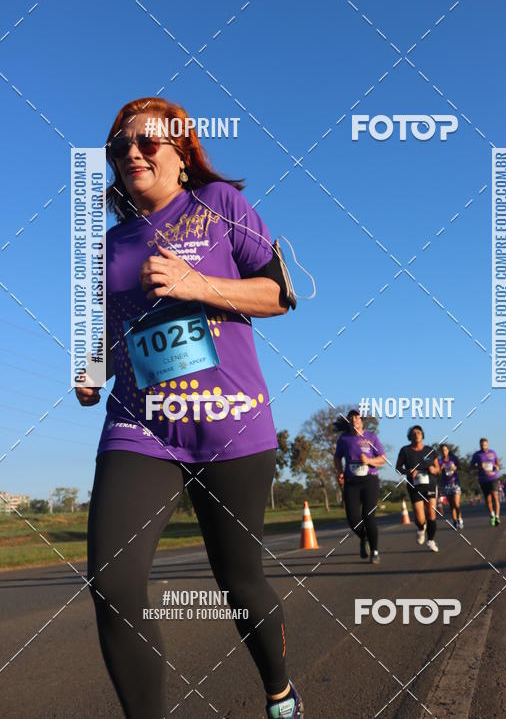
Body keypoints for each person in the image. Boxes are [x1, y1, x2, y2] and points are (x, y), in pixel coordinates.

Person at [75, 98, 303, 719]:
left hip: (232, 422)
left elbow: (279, 293)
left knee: (240, 583)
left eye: (149, 142)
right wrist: (91, 369)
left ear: (182, 154)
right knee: (114, 583)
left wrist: (196, 284)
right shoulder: (107, 245)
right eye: (121, 144)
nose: (132, 152)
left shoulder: (220, 206)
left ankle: (280, 693)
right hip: (140, 426)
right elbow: (111, 328)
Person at [334, 409, 386, 564]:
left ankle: (375, 551)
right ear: (349, 421)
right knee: (353, 518)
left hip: (370, 480)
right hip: (351, 482)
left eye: (357, 417)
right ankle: (365, 537)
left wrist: (369, 461)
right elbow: (337, 457)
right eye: (351, 418)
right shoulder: (344, 439)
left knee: (368, 516)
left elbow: (382, 458)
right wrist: (340, 472)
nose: (354, 420)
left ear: (361, 420)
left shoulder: (371, 437)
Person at [396, 426, 441, 552]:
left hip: (430, 484)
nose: (416, 434)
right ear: (410, 436)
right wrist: (408, 471)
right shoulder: (405, 451)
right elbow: (398, 468)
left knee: (431, 514)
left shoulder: (430, 450)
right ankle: (421, 529)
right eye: (413, 433)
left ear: (422, 435)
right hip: (415, 487)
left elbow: (438, 468)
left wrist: (434, 469)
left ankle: (431, 540)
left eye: (419, 432)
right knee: (420, 518)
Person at [470, 438, 501, 526]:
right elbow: (471, 466)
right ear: (480, 445)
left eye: (485, 444)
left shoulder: (492, 452)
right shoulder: (477, 455)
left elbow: (497, 461)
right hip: (483, 479)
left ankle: (497, 517)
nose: (483, 446)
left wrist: (497, 466)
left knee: (495, 496)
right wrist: (479, 466)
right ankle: (492, 515)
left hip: (493, 477)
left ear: (487, 444)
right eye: (482, 445)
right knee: (488, 500)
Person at [438, 444, 463, 530]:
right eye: (442, 450)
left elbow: (460, 467)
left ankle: (460, 519)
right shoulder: (440, 461)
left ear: (448, 450)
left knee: (456, 503)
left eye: (445, 450)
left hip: (455, 483)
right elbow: (437, 472)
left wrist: (455, 467)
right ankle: (454, 521)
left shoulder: (454, 458)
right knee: (451, 505)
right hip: (446, 484)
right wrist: (441, 468)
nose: (444, 452)